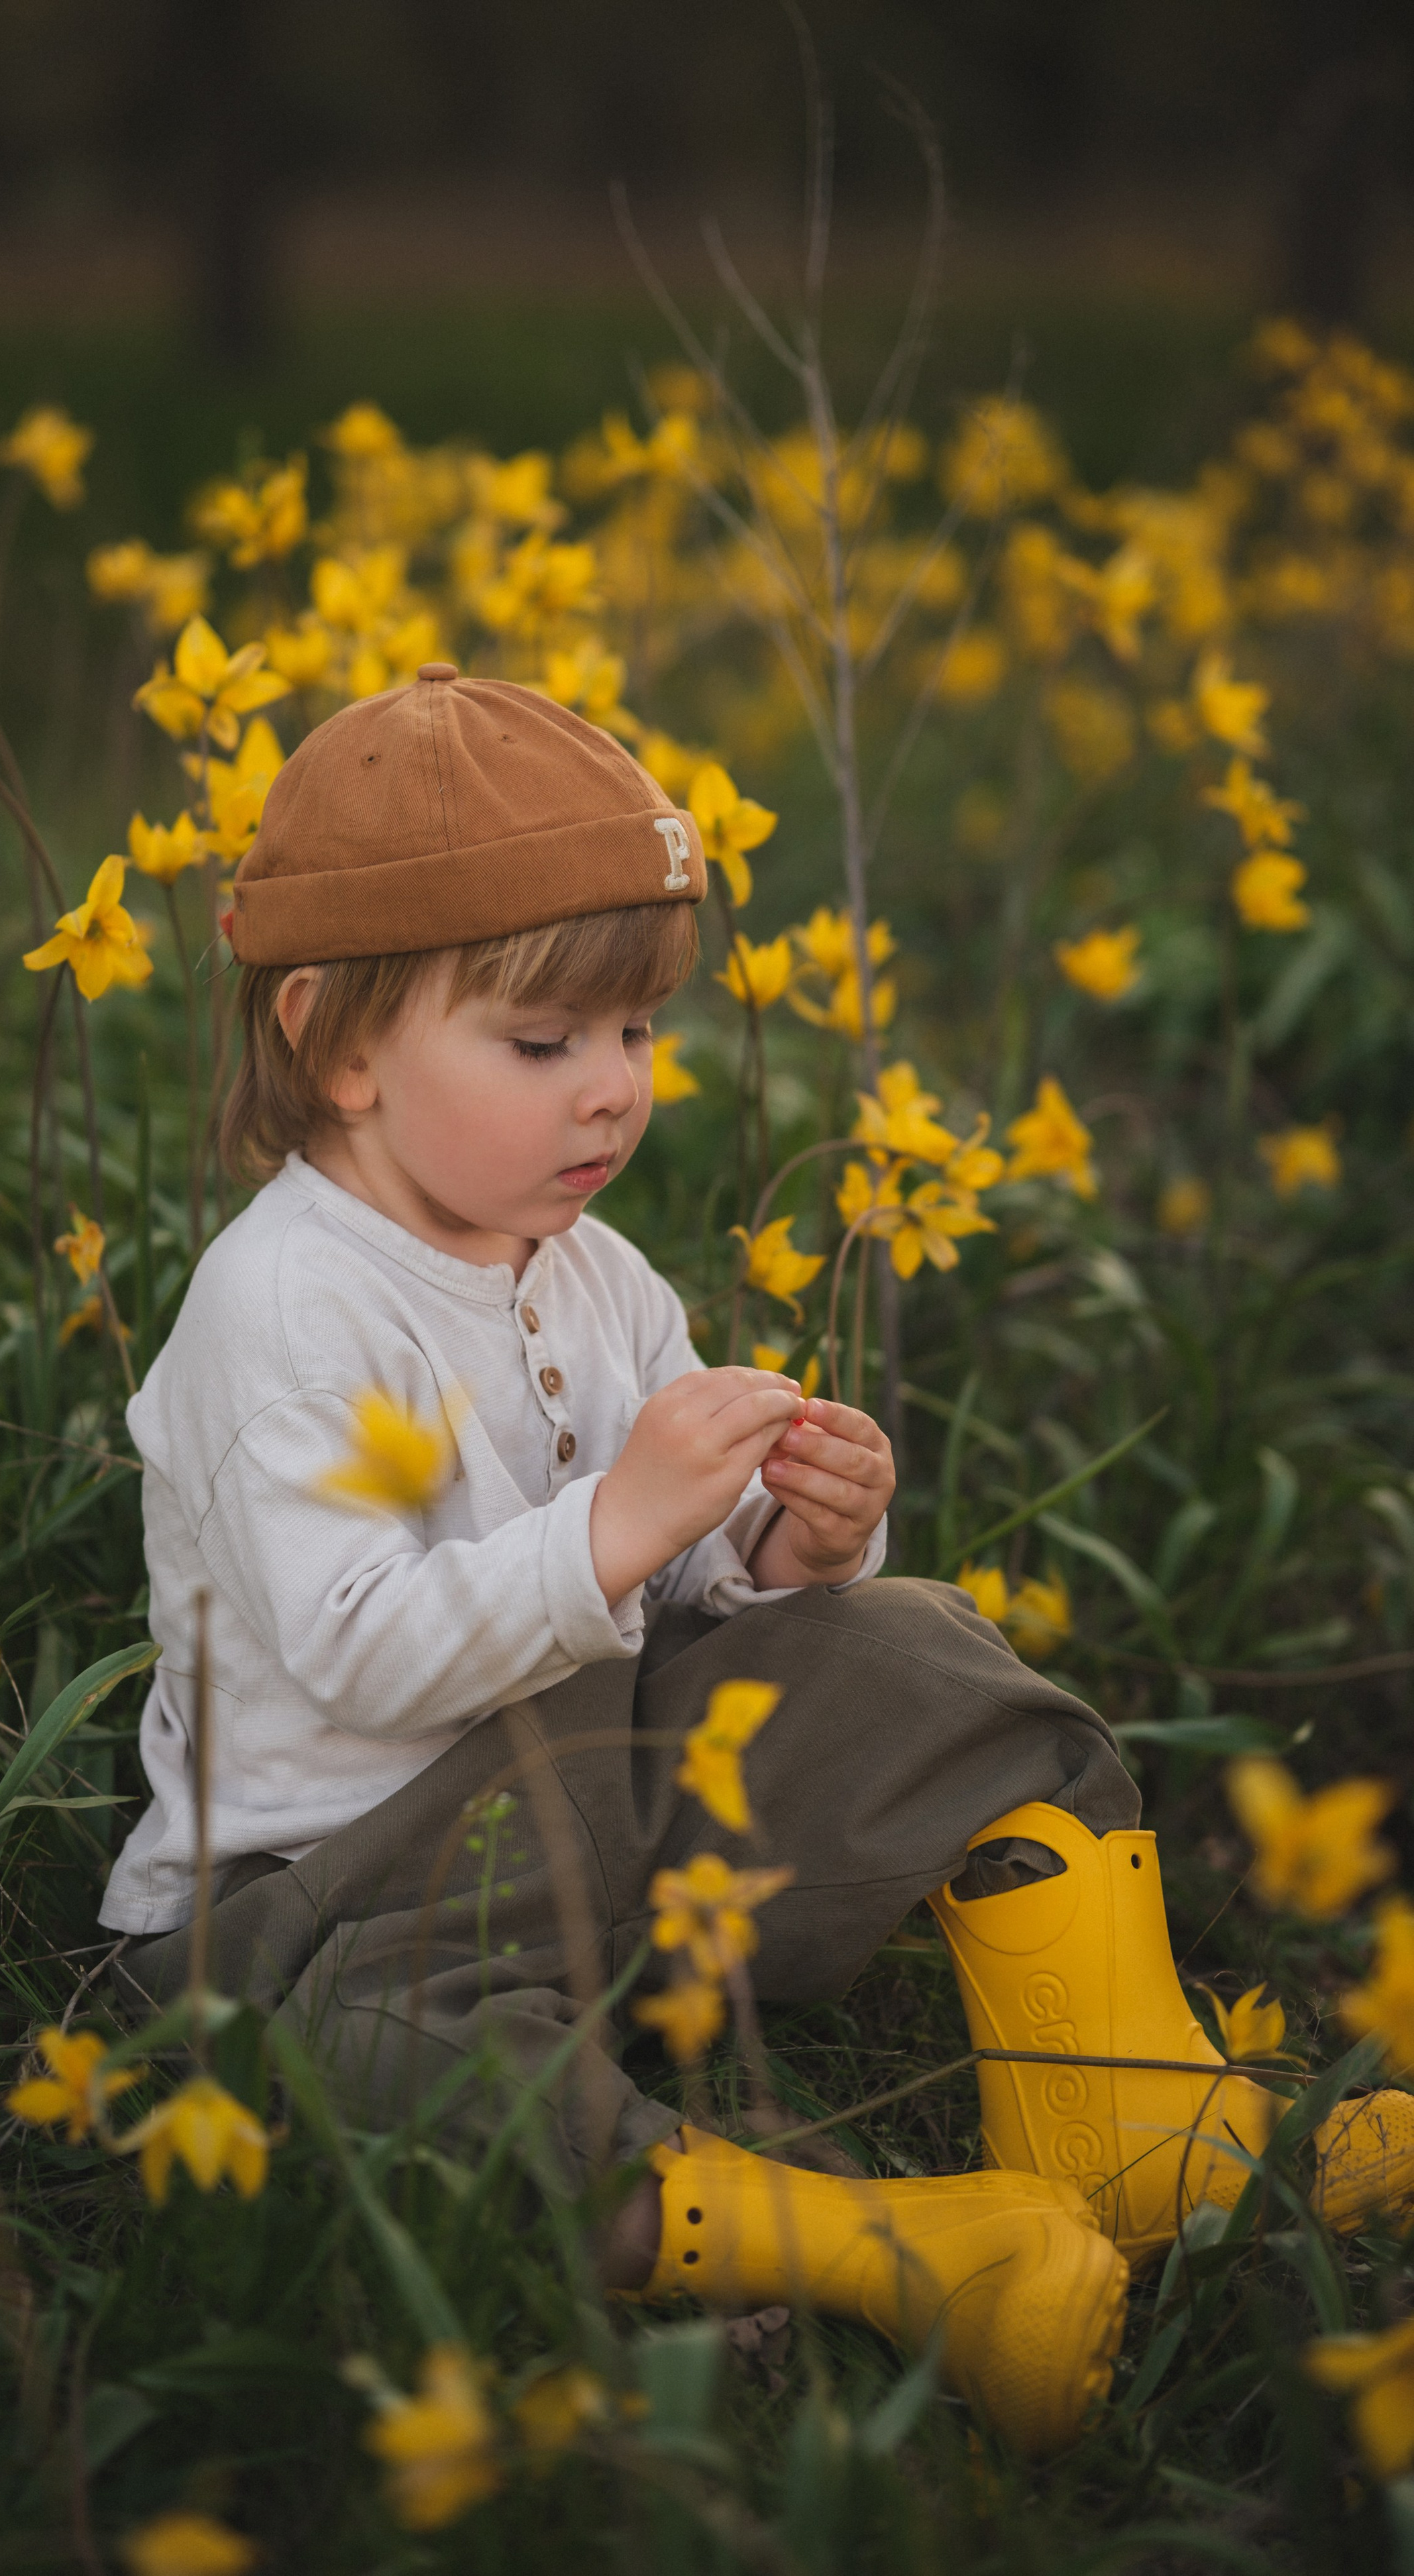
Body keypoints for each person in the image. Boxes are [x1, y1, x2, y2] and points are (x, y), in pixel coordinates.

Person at [105, 665, 1413, 2455]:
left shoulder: (591, 1266)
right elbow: (355, 1653)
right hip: (332, 1880)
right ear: (337, 1047)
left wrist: (790, 1542)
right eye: (543, 1043)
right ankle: (897, 2253)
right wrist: (622, 1525)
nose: (613, 1094)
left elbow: (691, 1587)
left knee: (920, 1647)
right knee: (377, 2068)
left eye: (639, 1033)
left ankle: (1121, 2114)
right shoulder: (283, 1312)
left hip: (597, 1788)